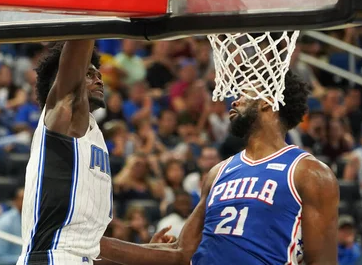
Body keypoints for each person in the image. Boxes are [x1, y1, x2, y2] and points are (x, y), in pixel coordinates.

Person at [100, 70, 340, 264]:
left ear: (269, 102)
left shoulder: (308, 172)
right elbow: (181, 252)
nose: (235, 100)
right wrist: (92, 244)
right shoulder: (218, 172)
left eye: (245, 94)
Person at [17, 40, 110, 265]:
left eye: (99, 74)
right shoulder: (63, 115)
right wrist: (94, 11)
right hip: (52, 256)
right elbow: (80, 42)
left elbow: (92, 243)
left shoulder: (92, 133)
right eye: (89, 74)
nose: (99, 79)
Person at [0, 188, 25, 265]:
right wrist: (26, 259)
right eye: (23, 198)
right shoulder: (4, 223)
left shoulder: (34, 221)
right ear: (15, 201)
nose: (28, 202)